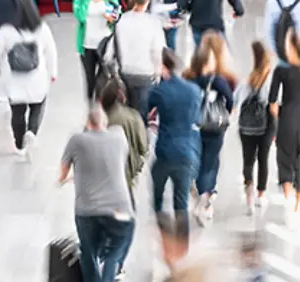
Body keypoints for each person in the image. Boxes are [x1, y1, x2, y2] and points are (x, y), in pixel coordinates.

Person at [61, 105, 135, 282]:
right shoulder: (119, 137)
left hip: (87, 210)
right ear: (105, 123)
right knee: (113, 253)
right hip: (119, 208)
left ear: (87, 123)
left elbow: (63, 171)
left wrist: (68, 178)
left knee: (89, 254)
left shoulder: (77, 140)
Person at [0, 0, 59, 157]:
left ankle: (19, 145)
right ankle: (32, 132)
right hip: (37, 78)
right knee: (38, 106)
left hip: (14, 81)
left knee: (17, 114)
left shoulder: (6, 31)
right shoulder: (42, 28)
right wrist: (53, 72)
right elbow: (51, 51)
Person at [145, 49, 202, 236]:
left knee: (158, 197)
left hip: (165, 152)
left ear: (163, 67)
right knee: (181, 203)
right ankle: (182, 248)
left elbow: (146, 112)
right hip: (187, 152)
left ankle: (164, 233)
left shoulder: (159, 91)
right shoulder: (194, 91)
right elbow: (196, 118)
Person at [183, 31, 235, 224]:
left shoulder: (189, 78)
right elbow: (230, 100)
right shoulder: (220, 80)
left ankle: (197, 190)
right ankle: (206, 196)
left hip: (195, 125)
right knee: (211, 161)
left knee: (197, 158)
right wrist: (224, 114)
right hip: (215, 126)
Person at [271, 31, 300, 217]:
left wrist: (278, 118)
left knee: (285, 164)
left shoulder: (281, 70)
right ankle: (298, 206)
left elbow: (272, 104)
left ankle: (288, 202)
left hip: (287, 120)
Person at [99, 79, 148, 217]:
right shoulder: (133, 116)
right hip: (127, 175)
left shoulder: (102, 120)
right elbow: (143, 147)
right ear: (122, 95)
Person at [238, 40, 276, 214]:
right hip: (266, 124)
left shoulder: (248, 79)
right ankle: (261, 194)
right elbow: (274, 102)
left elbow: (237, 100)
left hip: (246, 126)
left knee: (248, 160)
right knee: (263, 158)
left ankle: (250, 195)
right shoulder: (270, 80)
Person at [110, 0, 164, 112]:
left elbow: (114, 49)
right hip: (145, 73)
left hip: (125, 71)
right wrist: (158, 73)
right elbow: (157, 51)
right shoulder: (153, 22)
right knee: (142, 113)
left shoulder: (122, 20)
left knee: (127, 109)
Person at [74, 0, 118, 100]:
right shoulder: (82, 2)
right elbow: (79, 15)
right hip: (87, 45)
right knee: (90, 79)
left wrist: (112, 18)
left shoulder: (111, 1)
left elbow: (117, 15)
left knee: (103, 78)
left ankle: (99, 102)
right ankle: (90, 102)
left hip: (105, 45)